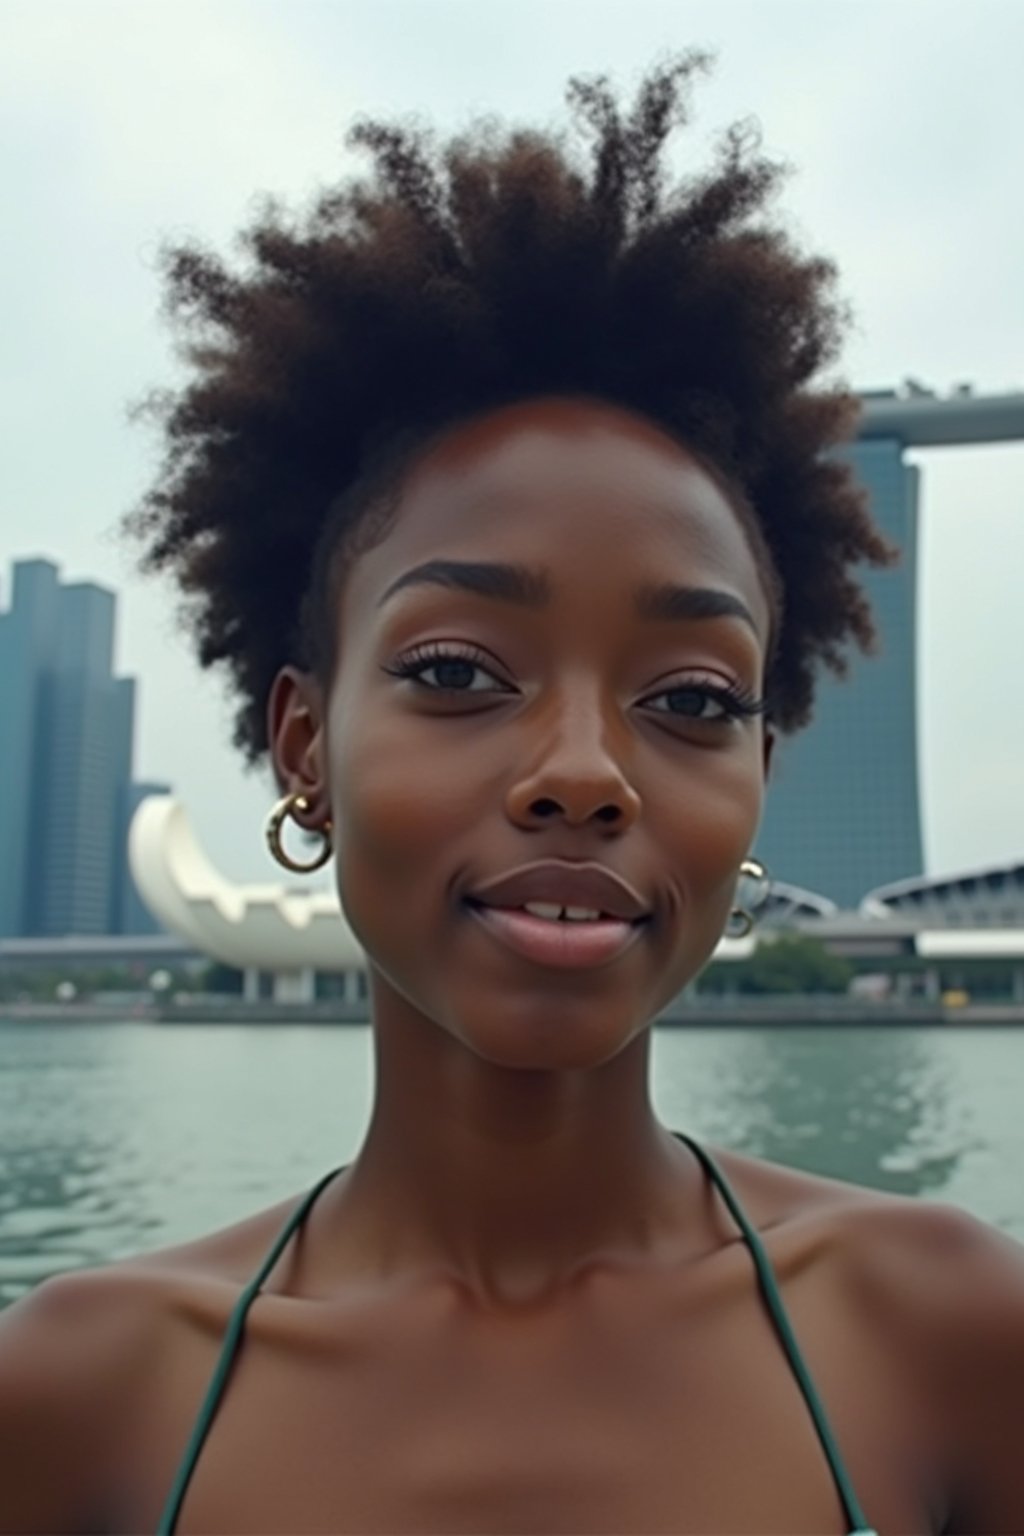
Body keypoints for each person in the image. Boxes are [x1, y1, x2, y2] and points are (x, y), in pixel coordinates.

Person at [2, 53, 1022, 1536]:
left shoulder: (948, 1336)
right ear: (305, 750)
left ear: (755, 775)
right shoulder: (82, 1401)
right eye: (462, 671)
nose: (584, 777)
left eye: (691, 700)